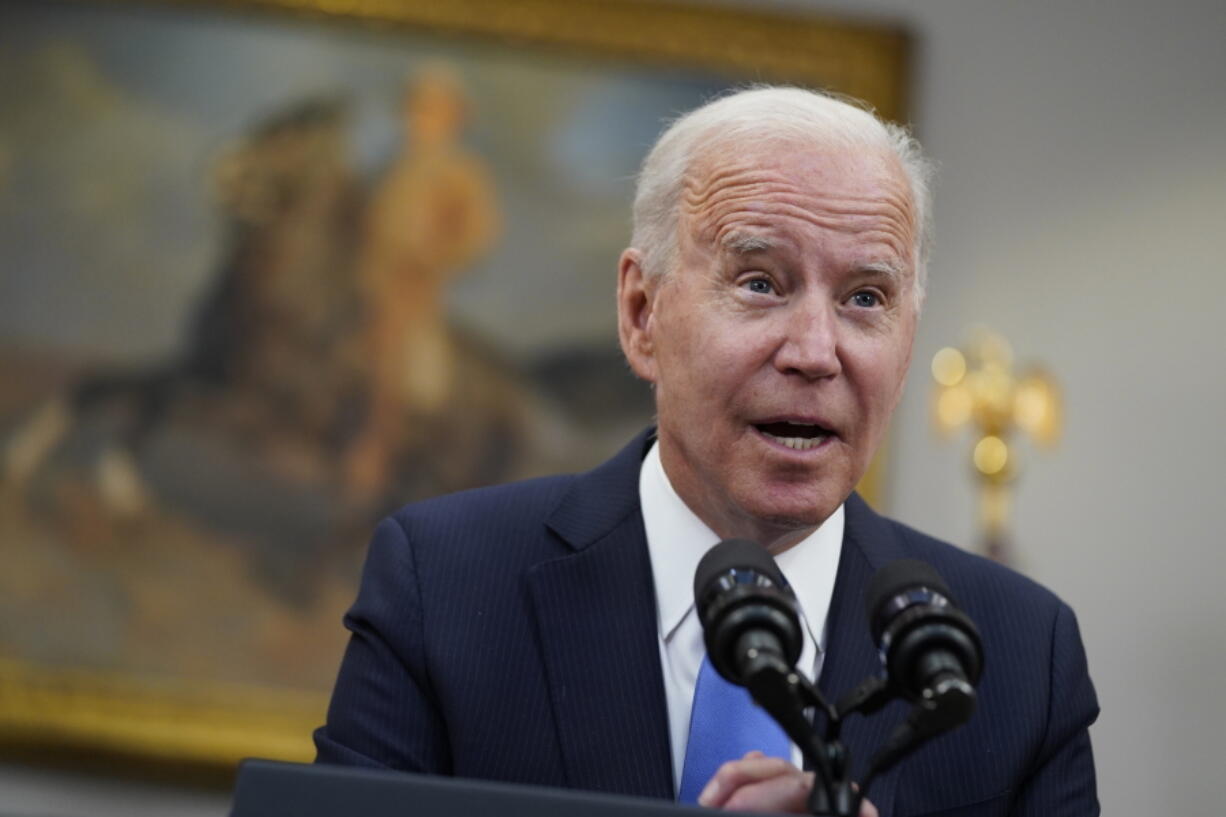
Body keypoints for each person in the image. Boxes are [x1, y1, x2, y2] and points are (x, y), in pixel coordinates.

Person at [314, 86, 1099, 816]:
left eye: (866, 298)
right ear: (641, 312)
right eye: (760, 282)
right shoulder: (445, 583)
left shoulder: (1019, 658)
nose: (816, 351)